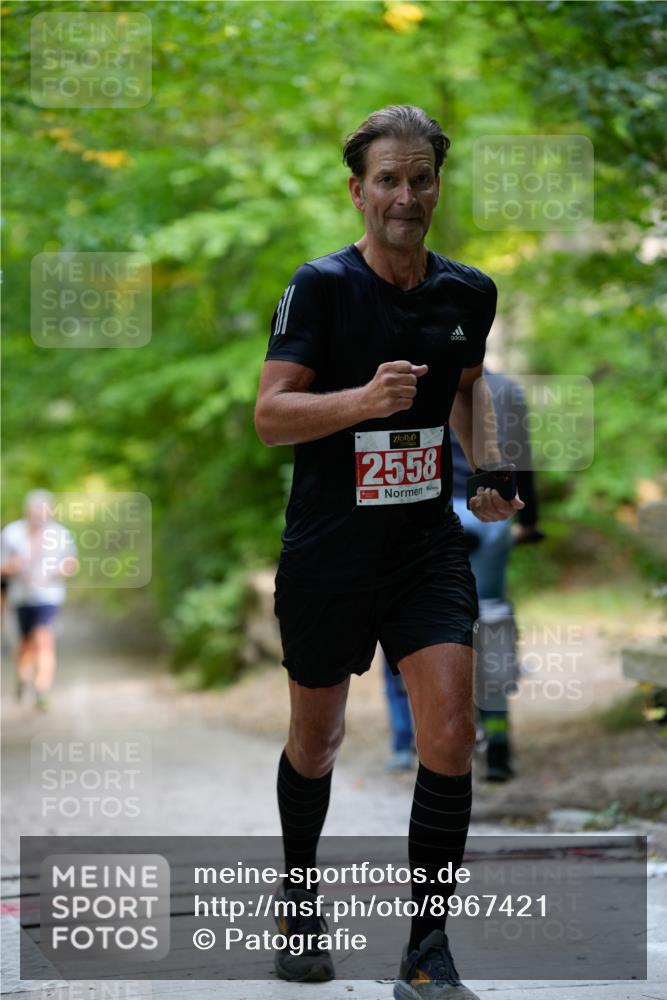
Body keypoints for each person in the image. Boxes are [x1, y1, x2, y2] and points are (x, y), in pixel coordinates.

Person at [254, 105, 523, 998]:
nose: (405, 196)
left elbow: (468, 389)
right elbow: (270, 416)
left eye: (420, 179)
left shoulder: (467, 292)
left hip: (422, 548)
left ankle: (425, 949)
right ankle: (299, 902)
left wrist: (488, 466)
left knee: (448, 735)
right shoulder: (320, 287)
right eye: (387, 180)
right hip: (330, 551)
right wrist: (359, 402)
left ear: (437, 185)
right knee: (318, 740)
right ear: (358, 190)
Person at [381, 368, 543, 781]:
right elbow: (522, 457)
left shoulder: (411, 379)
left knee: (413, 620)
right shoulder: (508, 388)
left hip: (432, 513)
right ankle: (500, 744)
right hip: (491, 510)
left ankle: (408, 742)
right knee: (490, 617)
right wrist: (528, 519)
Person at [0, 490, 78, 710]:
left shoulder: (60, 534)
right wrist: (12, 567)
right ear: (27, 511)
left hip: (49, 596)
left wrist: (59, 571)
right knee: (26, 644)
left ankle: (42, 688)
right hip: (21, 596)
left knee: (44, 639)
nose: (40, 516)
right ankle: (23, 678)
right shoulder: (12, 533)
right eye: (35, 511)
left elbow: (71, 561)